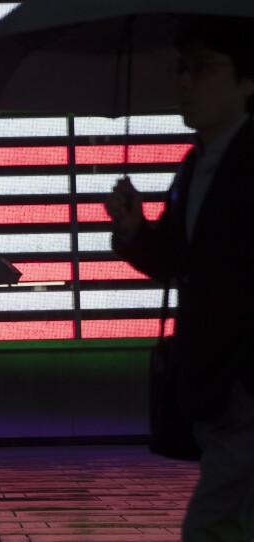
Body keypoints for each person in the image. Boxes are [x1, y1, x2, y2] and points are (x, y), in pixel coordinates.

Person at [105, 16, 254, 542]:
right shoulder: (196, 163)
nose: (185, 82)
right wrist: (133, 229)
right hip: (214, 377)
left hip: (242, 380)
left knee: (212, 523)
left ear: (247, 81)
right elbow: (178, 261)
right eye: (182, 68)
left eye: (203, 69)